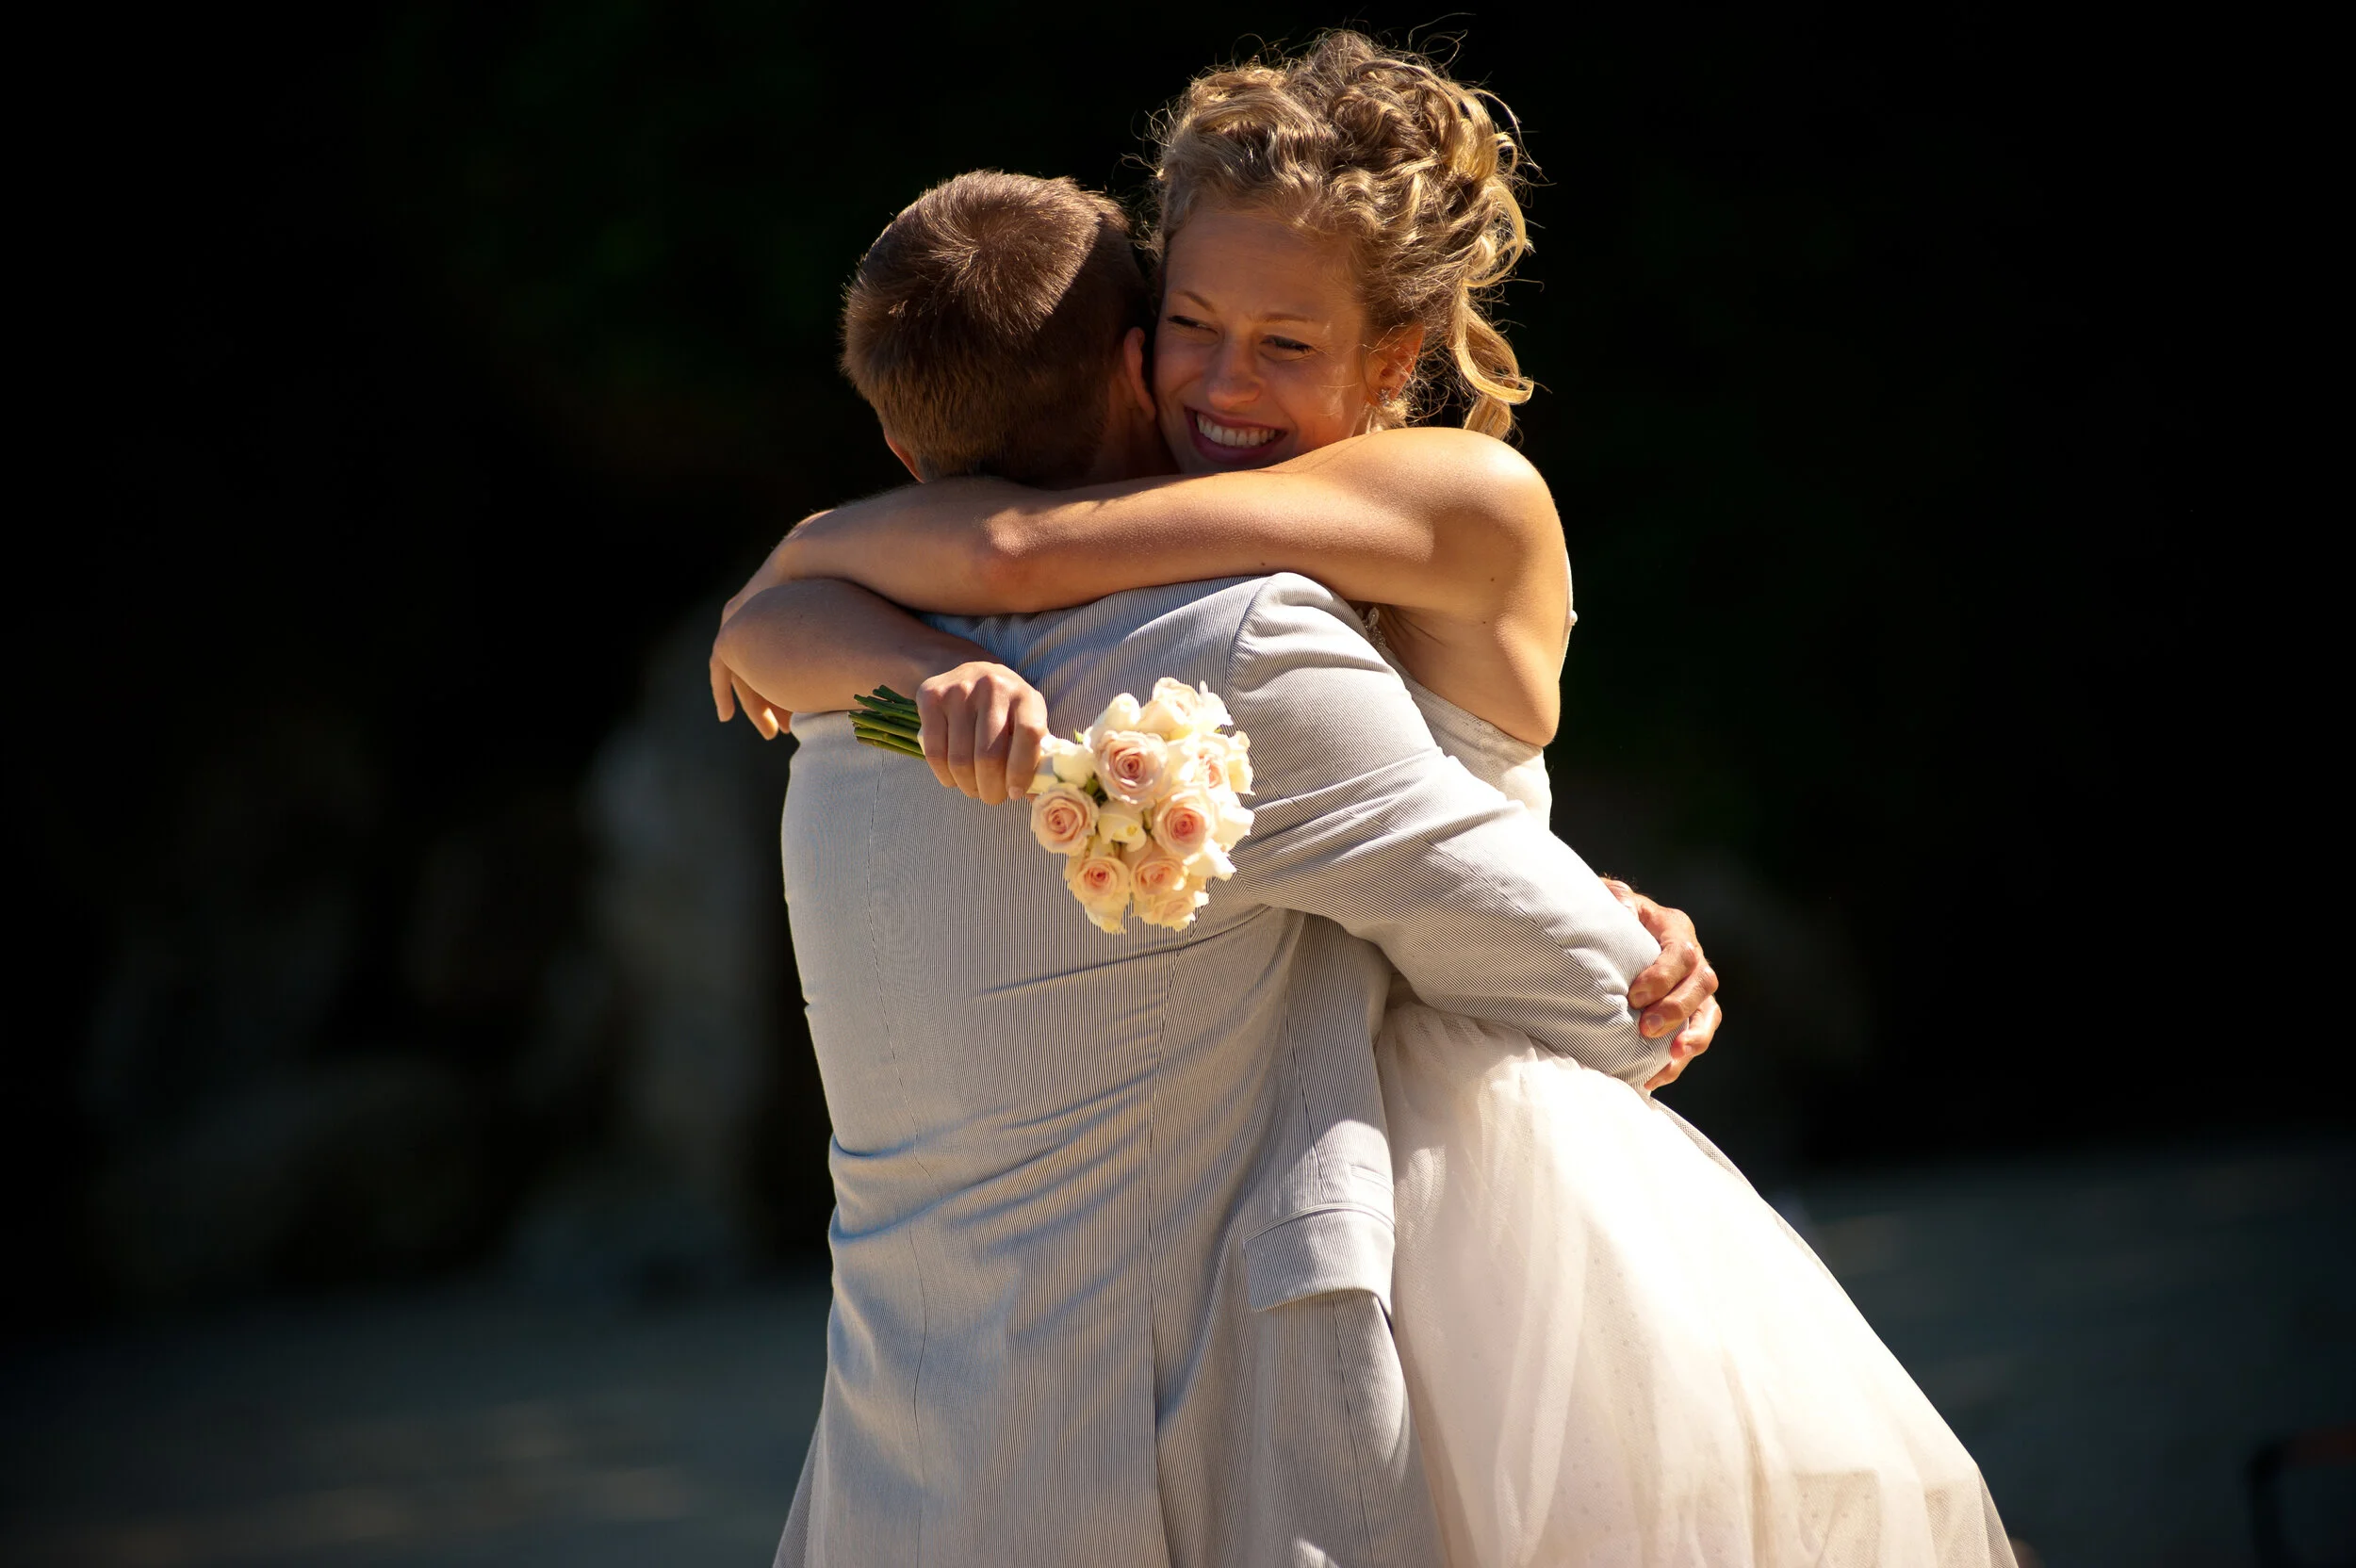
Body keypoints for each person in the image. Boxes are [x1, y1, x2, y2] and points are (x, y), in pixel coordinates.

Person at [725, 34, 2013, 1567]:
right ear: (1136, 340)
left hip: (1479, 1139)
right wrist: (819, 626)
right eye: (1190, 325)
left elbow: (1018, 557)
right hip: (1312, 1115)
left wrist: (810, 580)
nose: (1218, 381)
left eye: (1286, 345)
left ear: (1394, 362)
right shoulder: (1196, 565)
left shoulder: (1454, 499)